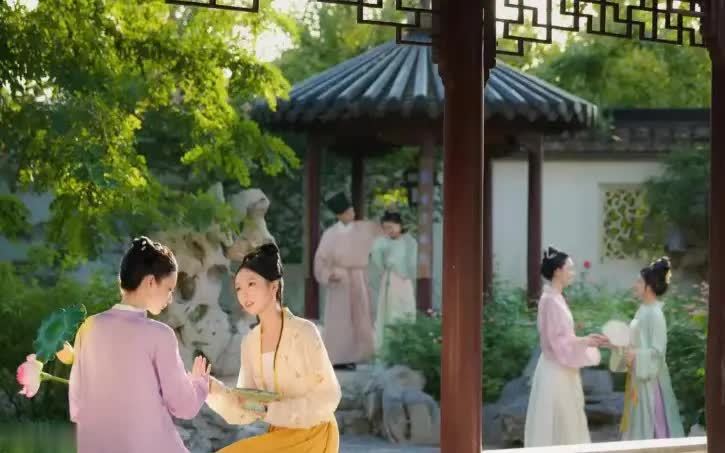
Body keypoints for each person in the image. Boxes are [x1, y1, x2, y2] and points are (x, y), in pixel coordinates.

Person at [69, 236, 210, 453]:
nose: (170, 299)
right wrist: (200, 383)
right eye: (169, 289)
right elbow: (183, 405)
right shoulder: (159, 335)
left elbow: (77, 404)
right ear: (150, 282)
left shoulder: (89, 327)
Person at [206, 243, 341, 453]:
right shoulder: (250, 342)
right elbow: (248, 406)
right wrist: (214, 390)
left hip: (314, 432)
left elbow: (329, 396)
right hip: (279, 434)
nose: (244, 294)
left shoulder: (304, 332)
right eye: (238, 288)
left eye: (251, 284)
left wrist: (272, 409)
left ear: (273, 286)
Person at [524, 246, 606, 447]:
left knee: (566, 421)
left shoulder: (555, 297)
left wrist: (584, 340)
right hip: (556, 370)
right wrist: (585, 341)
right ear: (557, 271)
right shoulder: (551, 300)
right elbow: (557, 341)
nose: (573, 273)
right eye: (569, 268)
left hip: (559, 367)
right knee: (562, 422)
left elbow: (563, 337)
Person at [606, 257, 685, 440]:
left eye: (639, 282)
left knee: (652, 426)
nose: (635, 285)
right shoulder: (643, 310)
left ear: (649, 287)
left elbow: (658, 352)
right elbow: (636, 342)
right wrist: (617, 343)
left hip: (650, 382)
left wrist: (635, 354)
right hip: (639, 378)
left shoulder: (655, 314)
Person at [314, 191, 381, 370]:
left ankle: (359, 355)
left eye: (352, 210)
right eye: (348, 212)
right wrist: (329, 274)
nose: (352, 213)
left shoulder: (363, 228)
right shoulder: (330, 234)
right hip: (340, 279)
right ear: (339, 215)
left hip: (358, 277)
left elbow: (382, 233)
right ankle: (338, 357)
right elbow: (321, 259)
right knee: (340, 319)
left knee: (360, 316)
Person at [369, 210, 418, 351]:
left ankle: (405, 346)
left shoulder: (409, 241)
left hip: (404, 281)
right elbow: (377, 261)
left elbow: (412, 263)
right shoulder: (382, 242)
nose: (388, 231)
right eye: (385, 228)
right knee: (389, 312)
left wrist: (399, 267)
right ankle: (387, 347)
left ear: (400, 225)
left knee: (405, 310)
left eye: (391, 227)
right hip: (390, 280)